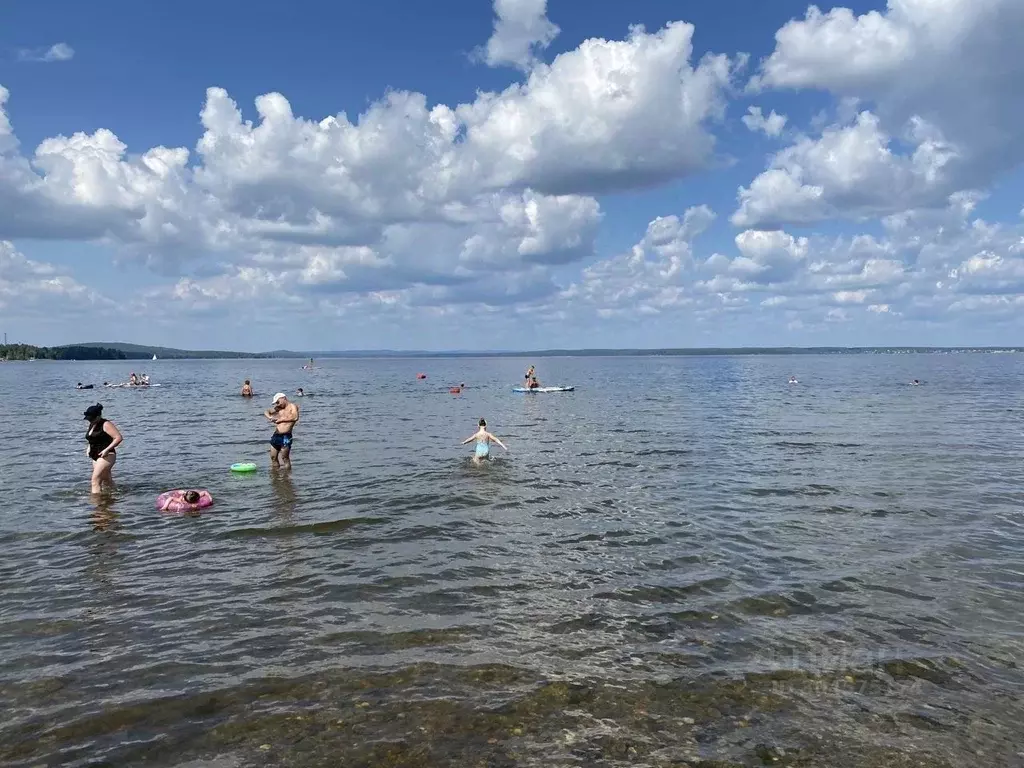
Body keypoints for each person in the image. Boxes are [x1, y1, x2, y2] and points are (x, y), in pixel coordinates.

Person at [84, 403, 123, 495]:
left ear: (98, 416)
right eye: (89, 419)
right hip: (95, 455)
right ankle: (114, 496)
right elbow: (92, 438)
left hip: (107, 455)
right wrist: (89, 447)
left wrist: (107, 449)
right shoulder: (92, 424)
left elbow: (118, 438)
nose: (90, 421)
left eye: (92, 419)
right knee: (106, 479)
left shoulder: (106, 424)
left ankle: (97, 503)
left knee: (95, 480)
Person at [265, 392, 300, 466]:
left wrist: (281, 420)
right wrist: (270, 417)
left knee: (285, 458)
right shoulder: (278, 408)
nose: (277, 404)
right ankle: (275, 475)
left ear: (283, 398)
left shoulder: (292, 406)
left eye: (278, 402)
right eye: (276, 403)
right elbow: (266, 411)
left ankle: (287, 476)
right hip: (276, 434)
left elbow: (295, 417)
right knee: (273, 457)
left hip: (286, 436)